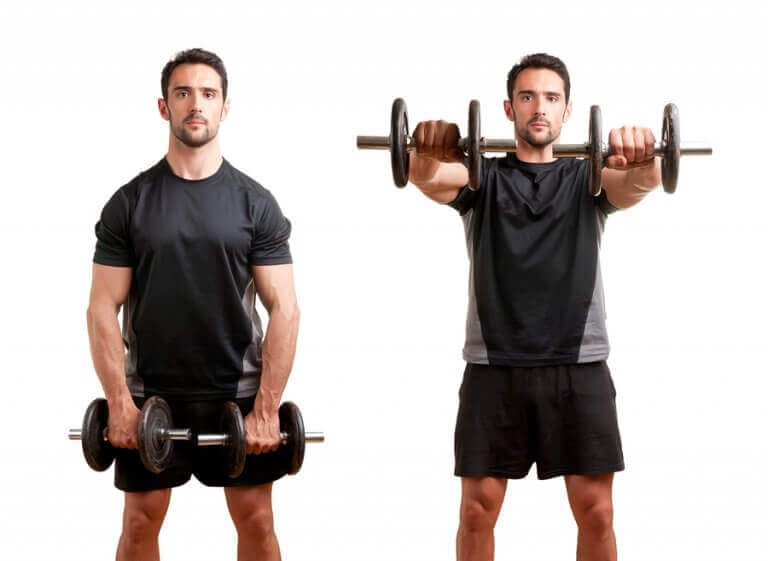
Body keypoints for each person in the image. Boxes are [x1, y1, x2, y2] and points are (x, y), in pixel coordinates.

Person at [407, 53, 662, 561]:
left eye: (550, 98)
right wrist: (425, 151)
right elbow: (428, 178)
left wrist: (645, 159)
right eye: (527, 97)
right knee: (477, 509)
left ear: (568, 111)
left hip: (579, 362)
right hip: (494, 365)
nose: (538, 108)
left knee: (597, 511)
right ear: (509, 108)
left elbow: (637, 184)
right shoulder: (480, 179)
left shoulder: (588, 179)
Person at [87, 48, 299, 561]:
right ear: (164, 107)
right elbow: (101, 310)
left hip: (237, 389)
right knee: (139, 525)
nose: (196, 104)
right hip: (150, 392)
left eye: (208, 94)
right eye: (183, 93)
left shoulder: (256, 203)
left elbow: (285, 309)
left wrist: (267, 409)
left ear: (225, 107)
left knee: (257, 522)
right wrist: (119, 402)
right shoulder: (129, 203)